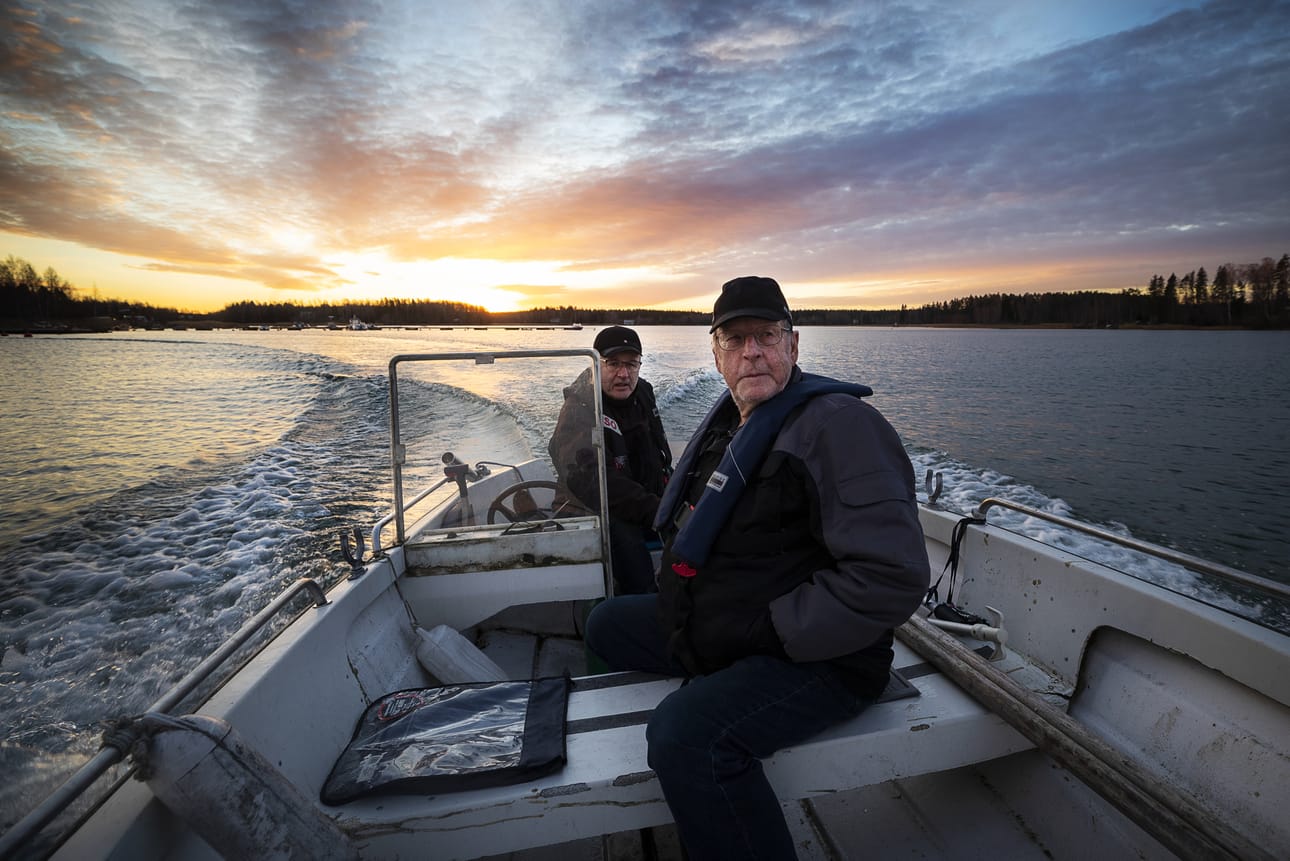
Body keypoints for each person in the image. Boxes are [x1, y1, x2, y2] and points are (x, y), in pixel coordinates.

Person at [584, 277, 931, 859]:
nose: (753, 352)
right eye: (736, 338)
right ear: (715, 353)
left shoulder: (841, 428)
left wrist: (765, 628)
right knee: (606, 624)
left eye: (767, 336)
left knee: (685, 736)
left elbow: (891, 577)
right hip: (726, 626)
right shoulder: (735, 423)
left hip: (820, 658)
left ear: (793, 345)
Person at [548, 325, 673, 595]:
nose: (623, 374)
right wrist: (657, 510)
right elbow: (591, 481)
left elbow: (658, 454)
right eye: (613, 363)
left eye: (631, 364)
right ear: (595, 365)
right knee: (626, 543)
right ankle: (641, 605)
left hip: (643, 502)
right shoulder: (580, 408)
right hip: (593, 509)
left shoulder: (643, 393)